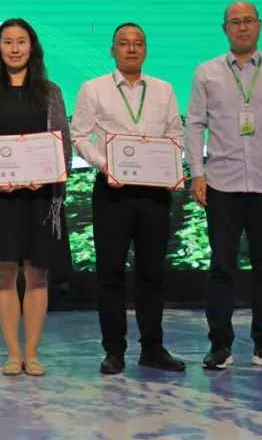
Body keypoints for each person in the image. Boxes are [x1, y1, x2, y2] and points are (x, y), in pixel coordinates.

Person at [186, 0, 262, 372]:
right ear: (224, 29)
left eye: (248, 21)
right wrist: (197, 173)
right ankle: (220, 345)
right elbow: (194, 125)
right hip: (222, 182)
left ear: (259, 25)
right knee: (222, 266)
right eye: (234, 22)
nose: (242, 27)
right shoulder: (206, 71)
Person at [70, 23, 186, 375]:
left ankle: (153, 348)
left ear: (145, 50)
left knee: (152, 273)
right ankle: (114, 350)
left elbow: (176, 135)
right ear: (113, 50)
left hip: (154, 193)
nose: (131, 49)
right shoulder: (94, 88)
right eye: (124, 43)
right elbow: (79, 136)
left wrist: (168, 164)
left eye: (137, 43)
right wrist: (107, 165)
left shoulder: (164, 89)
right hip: (113, 191)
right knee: (111, 273)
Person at [0, 18, 73, 377]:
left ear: (32, 47)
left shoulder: (51, 92)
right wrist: (1, 177)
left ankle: (33, 353)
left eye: (21, 41)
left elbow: (62, 145)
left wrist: (42, 176)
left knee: (37, 273)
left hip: (42, 198)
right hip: (1, 199)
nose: (15, 48)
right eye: (7, 42)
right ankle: (13, 353)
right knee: (5, 272)